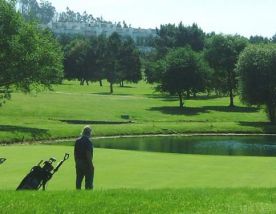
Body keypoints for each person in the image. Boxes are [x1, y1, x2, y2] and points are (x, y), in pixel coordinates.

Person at [74, 126, 94, 190]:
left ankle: (78, 192)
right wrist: (91, 165)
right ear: (89, 133)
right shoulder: (88, 141)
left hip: (78, 162)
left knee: (78, 180)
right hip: (86, 163)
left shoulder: (77, 141)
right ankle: (88, 193)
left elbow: (75, 153)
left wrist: (76, 162)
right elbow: (88, 153)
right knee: (88, 181)